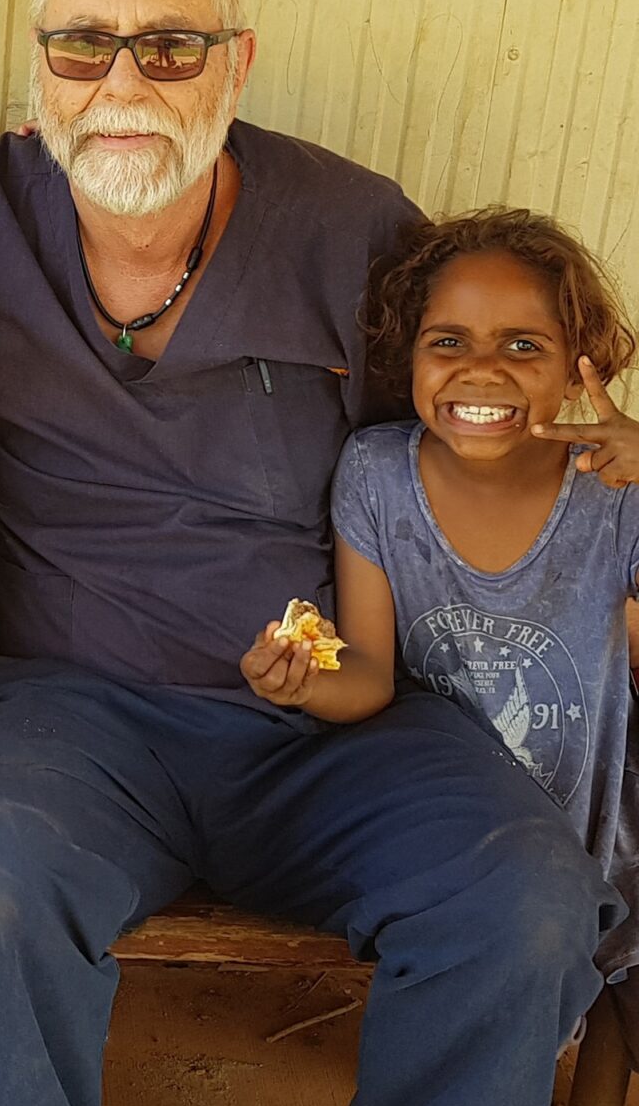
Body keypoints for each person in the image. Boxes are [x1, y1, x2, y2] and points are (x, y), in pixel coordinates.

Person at [0, 0, 620, 1106]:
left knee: (528, 905)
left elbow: (466, 421)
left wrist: (595, 448)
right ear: (41, 71)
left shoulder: (349, 229)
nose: (123, 78)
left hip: (335, 718)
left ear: (236, 61)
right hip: (67, 714)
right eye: (83, 41)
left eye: (170, 42)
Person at [240, 205, 639, 1044]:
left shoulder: (616, 492)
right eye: (447, 341)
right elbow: (371, 674)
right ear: (408, 359)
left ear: (579, 367)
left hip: (586, 843)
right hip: (440, 834)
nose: (481, 370)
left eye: (523, 345)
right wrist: (306, 681)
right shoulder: (379, 475)